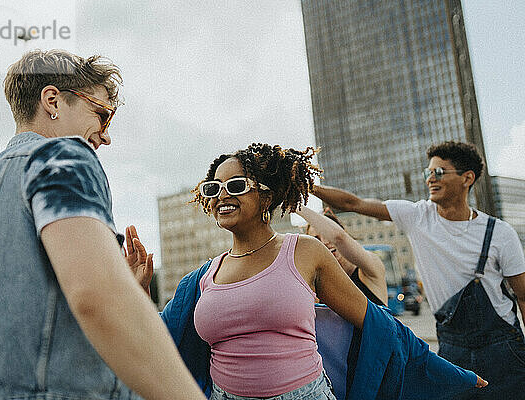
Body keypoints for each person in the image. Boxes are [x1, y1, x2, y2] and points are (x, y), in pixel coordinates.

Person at [0, 49, 205, 400]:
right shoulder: (62, 156)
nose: (105, 136)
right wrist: (117, 295)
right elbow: (98, 299)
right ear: (52, 100)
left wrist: (122, 285)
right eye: (101, 115)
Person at [134, 143, 487, 399]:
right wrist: (135, 292)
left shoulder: (304, 252)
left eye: (237, 185)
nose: (223, 194)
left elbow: (380, 325)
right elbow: (158, 341)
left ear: (266, 198)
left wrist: (453, 375)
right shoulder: (201, 279)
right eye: (215, 188)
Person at [309, 140, 525, 399]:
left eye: (440, 172)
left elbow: (522, 295)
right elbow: (352, 202)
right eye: (428, 173)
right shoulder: (417, 216)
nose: (430, 178)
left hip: (504, 350)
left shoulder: (500, 233)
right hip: (452, 349)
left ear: (468, 178)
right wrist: (306, 187)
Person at [296, 206, 387, 305]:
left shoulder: (369, 267)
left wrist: (295, 205)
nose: (324, 242)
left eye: (327, 235)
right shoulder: (318, 286)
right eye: (317, 239)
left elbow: (339, 237)